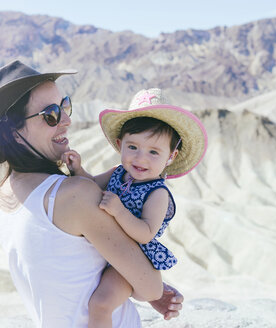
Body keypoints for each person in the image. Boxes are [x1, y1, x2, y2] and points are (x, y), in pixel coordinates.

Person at [0, 60, 184, 328]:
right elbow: (152, 287)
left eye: (65, 106)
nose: (67, 120)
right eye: (50, 114)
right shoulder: (75, 195)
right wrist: (141, 284)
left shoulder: (3, 196)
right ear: (13, 133)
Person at [62, 88, 208, 327]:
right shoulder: (118, 173)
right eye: (133, 147)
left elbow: (145, 232)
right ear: (120, 144)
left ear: (171, 156)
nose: (140, 159)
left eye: (153, 152)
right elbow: (91, 188)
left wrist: (119, 211)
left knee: (100, 304)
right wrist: (78, 170)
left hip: (132, 261)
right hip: (110, 250)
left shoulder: (158, 193)